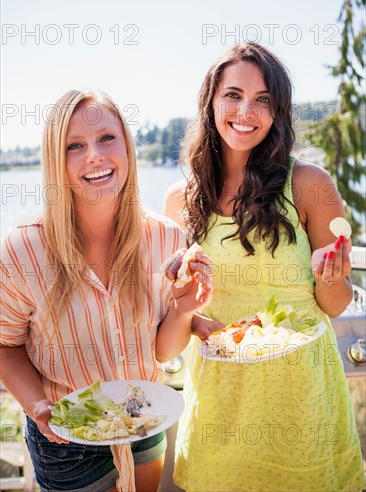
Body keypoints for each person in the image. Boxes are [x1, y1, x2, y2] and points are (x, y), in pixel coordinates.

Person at [164, 43, 365, 491]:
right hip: (221, 397)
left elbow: (334, 305)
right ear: (211, 102)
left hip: (300, 395)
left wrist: (330, 275)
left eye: (263, 100)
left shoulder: (309, 184)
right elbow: (179, 314)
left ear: (278, 111)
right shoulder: (180, 199)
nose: (246, 110)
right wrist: (188, 314)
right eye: (233, 95)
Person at [0, 89, 213, 492]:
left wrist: (184, 310)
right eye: (74, 146)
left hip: (145, 422)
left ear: (128, 148)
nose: (95, 155)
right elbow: (5, 345)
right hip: (66, 440)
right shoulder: (21, 249)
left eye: (106, 139)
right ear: (56, 163)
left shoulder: (167, 238)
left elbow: (163, 351)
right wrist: (36, 406)